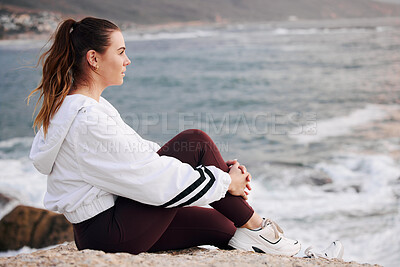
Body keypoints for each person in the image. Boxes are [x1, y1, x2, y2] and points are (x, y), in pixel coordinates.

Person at [28, 17, 301, 256]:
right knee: (195, 141)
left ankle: (285, 250)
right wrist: (226, 180)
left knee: (227, 228)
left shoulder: (86, 107)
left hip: (107, 224)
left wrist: (211, 170)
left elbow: (137, 158)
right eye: (121, 52)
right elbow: (150, 177)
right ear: (94, 59)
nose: (127, 60)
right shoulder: (86, 119)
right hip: (109, 232)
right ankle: (261, 229)